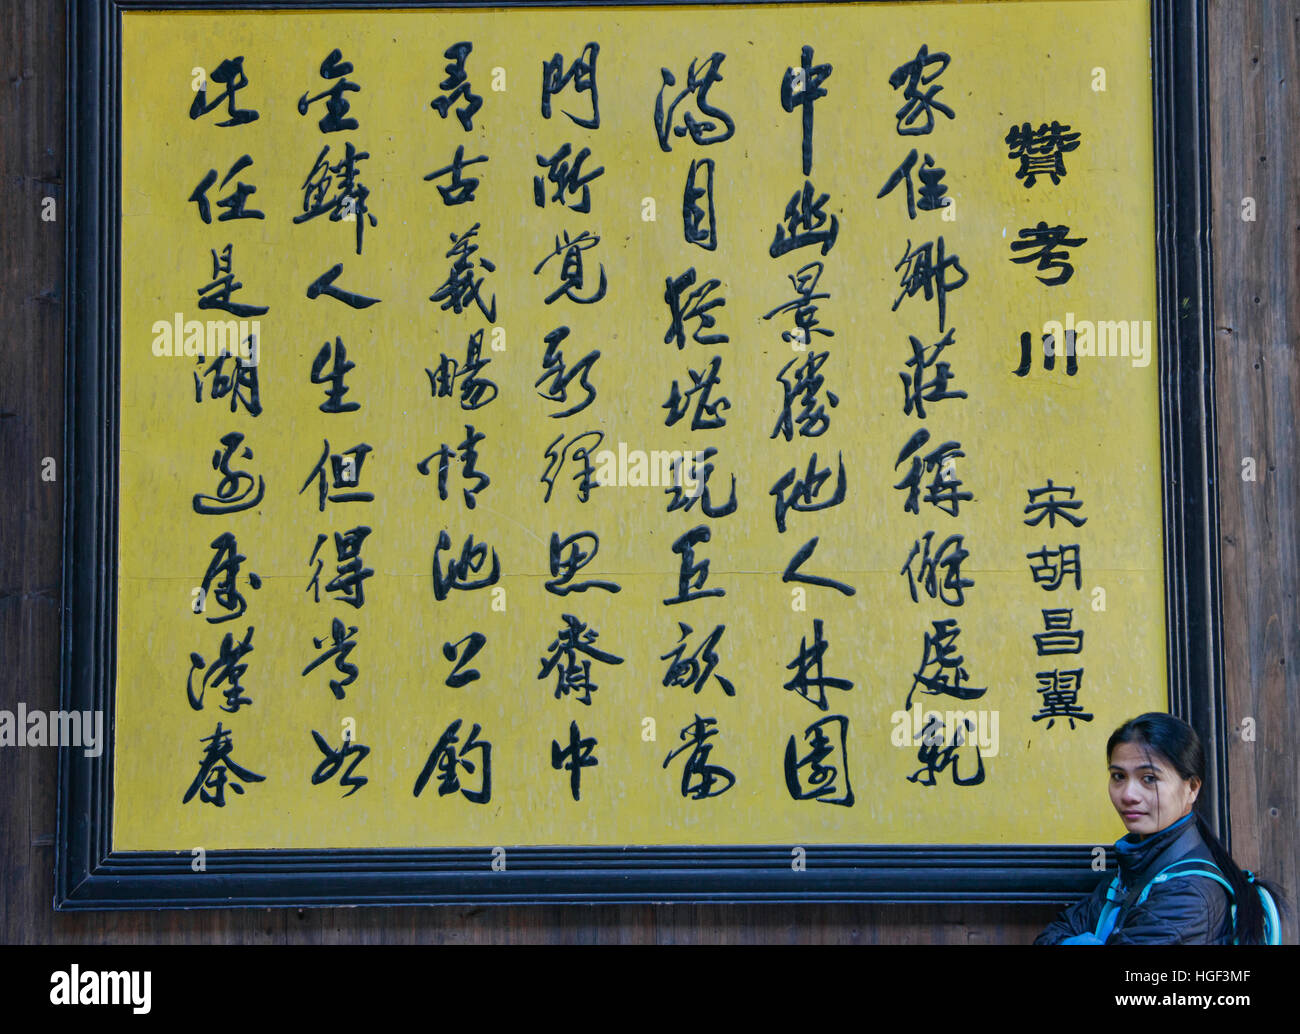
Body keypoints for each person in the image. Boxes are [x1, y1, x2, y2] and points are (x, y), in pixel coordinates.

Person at [1036, 712, 1286, 944]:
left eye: (1149, 779)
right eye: (1118, 776)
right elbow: (1053, 933)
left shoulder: (1189, 894)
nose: (1128, 794)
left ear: (1192, 788)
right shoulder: (1135, 865)